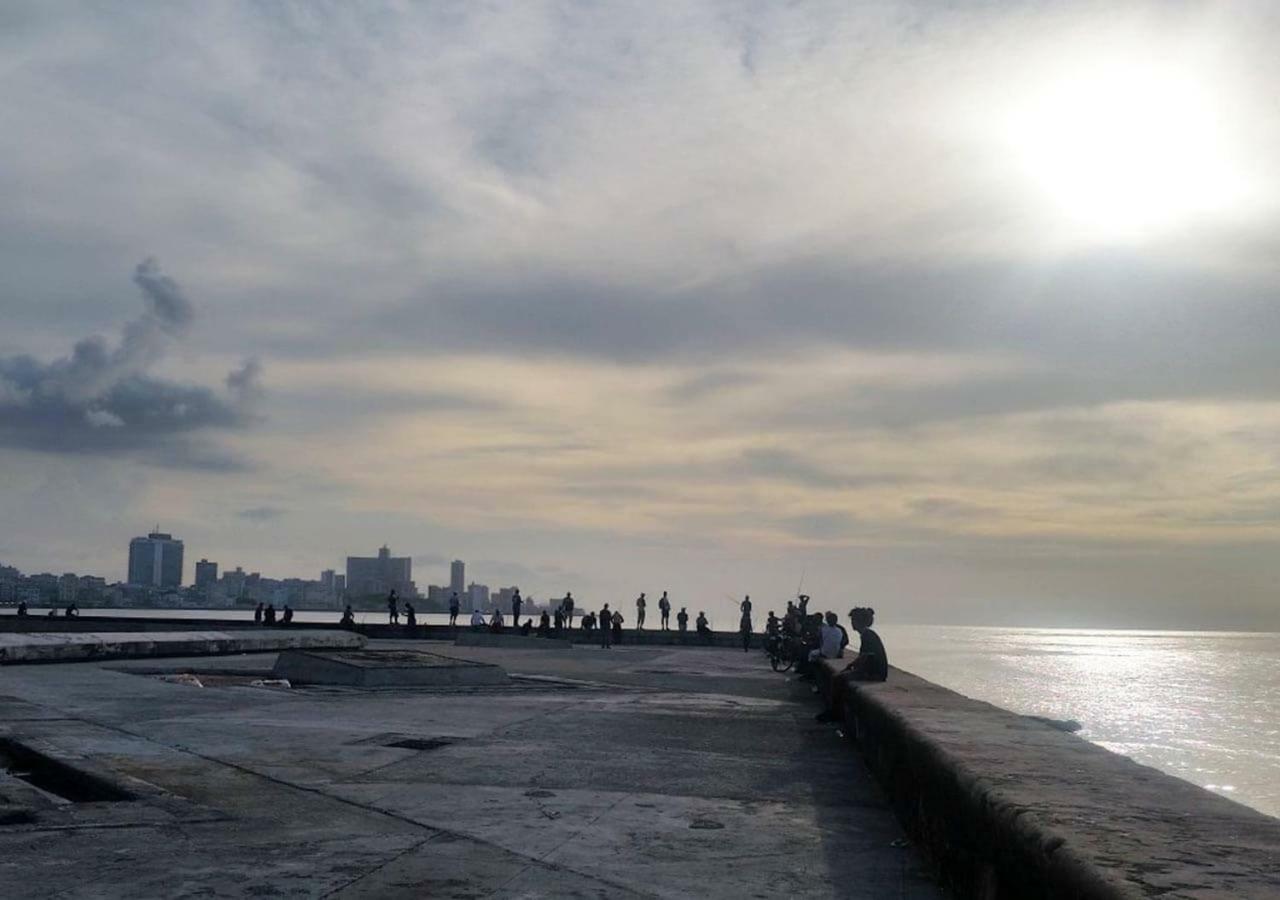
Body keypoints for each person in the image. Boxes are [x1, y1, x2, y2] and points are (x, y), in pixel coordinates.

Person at [816, 608, 889, 723]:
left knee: (837, 679)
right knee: (840, 677)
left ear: (859, 621)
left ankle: (834, 712)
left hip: (875, 673)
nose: (852, 623)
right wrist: (851, 665)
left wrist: (853, 668)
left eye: (853, 620)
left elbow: (864, 657)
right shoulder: (867, 634)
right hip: (873, 670)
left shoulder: (867, 635)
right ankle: (835, 711)